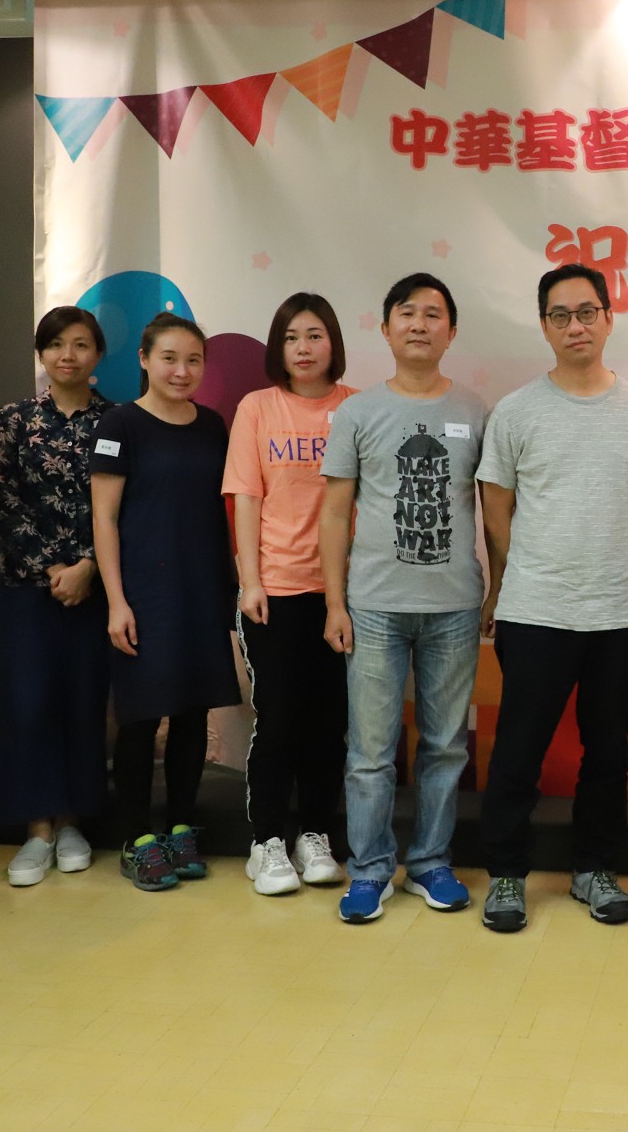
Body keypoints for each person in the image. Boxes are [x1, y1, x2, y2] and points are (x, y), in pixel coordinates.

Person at [476, 263, 628, 933]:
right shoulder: (516, 412)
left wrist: (609, 556)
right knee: (518, 749)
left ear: (609, 318)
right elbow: (496, 511)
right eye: (560, 315)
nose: (576, 326)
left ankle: (595, 869)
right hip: (535, 610)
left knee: (608, 752)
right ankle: (506, 873)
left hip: (619, 613)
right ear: (544, 326)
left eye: (587, 312)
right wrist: (535, 567)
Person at [321, 274, 486, 923]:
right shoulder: (358, 412)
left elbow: (494, 508)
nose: (420, 324)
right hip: (373, 606)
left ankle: (430, 862)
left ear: (452, 331)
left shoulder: (476, 411)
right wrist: (335, 603)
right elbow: (335, 513)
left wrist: (497, 588)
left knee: (446, 745)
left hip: (455, 605)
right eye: (407, 313)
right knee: (370, 750)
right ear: (386, 328)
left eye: (433, 314)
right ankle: (368, 870)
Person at [89, 313, 237, 892]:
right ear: (144, 360)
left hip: (201, 586)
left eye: (193, 360)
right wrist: (116, 601)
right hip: (143, 593)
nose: (182, 371)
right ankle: (136, 838)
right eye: (170, 358)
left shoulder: (213, 426)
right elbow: (103, 519)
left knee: (193, 711)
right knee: (140, 716)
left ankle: (180, 826)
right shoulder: (119, 424)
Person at [225, 293, 357, 897]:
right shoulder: (258, 407)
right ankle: (267, 842)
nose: (303, 349)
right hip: (275, 589)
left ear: (333, 343)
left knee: (329, 724)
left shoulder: (356, 407)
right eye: (291, 337)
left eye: (314, 335)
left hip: (342, 594)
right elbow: (245, 497)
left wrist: (345, 594)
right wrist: (250, 581)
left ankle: (315, 835)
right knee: (279, 719)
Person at [0, 307, 113, 887]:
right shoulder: (14, 420)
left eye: (81, 344)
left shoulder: (117, 421)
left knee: (84, 702)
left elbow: (124, 504)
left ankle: (72, 824)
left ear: (98, 354)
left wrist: (88, 566)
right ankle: (36, 829)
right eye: (57, 344)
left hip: (97, 588)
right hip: (26, 587)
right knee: (29, 703)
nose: (69, 355)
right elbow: (2, 499)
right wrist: (52, 567)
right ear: (41, 354)